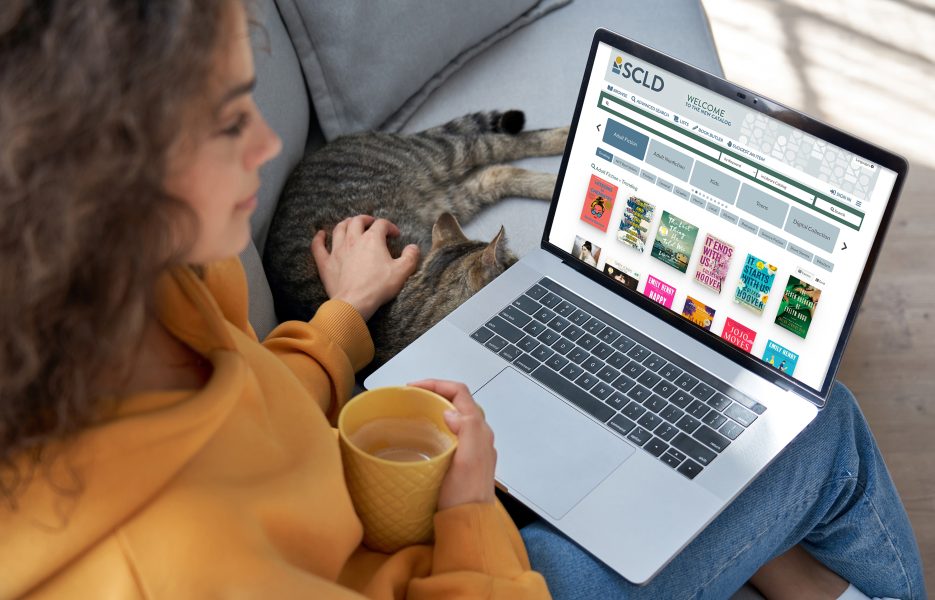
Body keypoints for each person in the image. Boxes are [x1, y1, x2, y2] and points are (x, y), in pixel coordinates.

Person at [0, 2, 924, 599]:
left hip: (392, 514)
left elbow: (241, 418)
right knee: (818, 431)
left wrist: (340, 322)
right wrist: (472, 508)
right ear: (110, 174)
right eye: (230, 118)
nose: (266, 144)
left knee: (672, 462)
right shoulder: (174, 568)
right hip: (476, 573)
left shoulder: (140, 287)